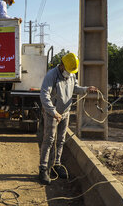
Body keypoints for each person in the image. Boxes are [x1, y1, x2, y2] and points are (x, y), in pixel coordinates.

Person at [39, 53, 97, 185]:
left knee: (61, 140)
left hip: (65, 113)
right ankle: (43, 169)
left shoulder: (71, 74)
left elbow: (74, 88)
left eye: (71, 71)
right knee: (49, 140)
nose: (69, 73)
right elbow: (44, 94)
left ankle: (56, 165)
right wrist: (53, 112)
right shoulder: (51, 75)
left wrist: (86, 89)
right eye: (68, 70)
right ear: (62, 65)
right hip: (52, 114)